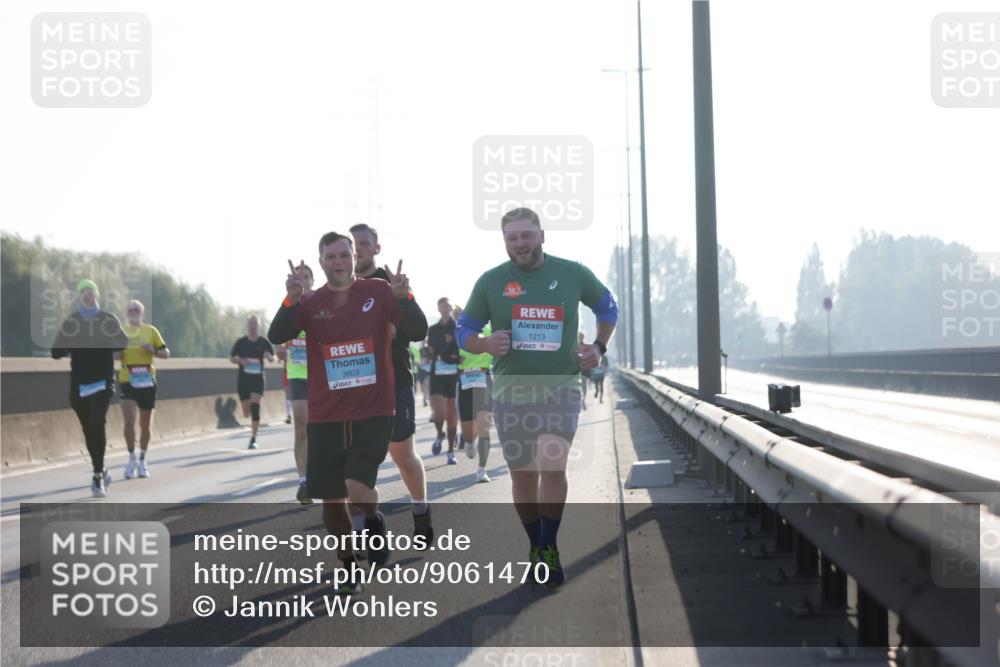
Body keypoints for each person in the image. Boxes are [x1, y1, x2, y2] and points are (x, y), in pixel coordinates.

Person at [456, 207, 618, 588]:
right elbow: (465, 329)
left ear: (542, 235)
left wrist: (599, 345)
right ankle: (535, 545)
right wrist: (483, 342)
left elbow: (607, 306)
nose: (519, 244)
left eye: (526, 235)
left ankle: (549, 546)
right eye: (511, 237)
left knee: (553, 465)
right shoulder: (491, 281)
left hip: (561, 386)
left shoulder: (572, 272)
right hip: (512, 392)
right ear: (505, 242)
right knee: (524, 477)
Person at [268, 232, 422, 596]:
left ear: (355, 256)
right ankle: (349, 561)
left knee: (355, 485)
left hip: (374, 408)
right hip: (326, 413)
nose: (338, 261)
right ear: (320, 263)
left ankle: (372, 517)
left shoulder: (380, 292)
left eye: (344, 254)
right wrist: (290, 300)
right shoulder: (310, 301)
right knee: (332, 500)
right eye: (330, 257)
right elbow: (277, 334)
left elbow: (417, 330)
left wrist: (407, 298)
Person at [350, 224, 433, 543]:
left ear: (376, 248)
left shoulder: (390, 283)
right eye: (353, 245)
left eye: (364, 244)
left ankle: (421, 510)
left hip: (393, 382)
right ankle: (360, 534)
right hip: (352, 387)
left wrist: (406, 301)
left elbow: (417, 329)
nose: (358, 250)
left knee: (403, 456)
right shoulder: (338, 287)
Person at [51, 279, 128, 497]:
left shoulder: (107, 319)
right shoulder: (72, 322)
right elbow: (55, 352)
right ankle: (101, 466)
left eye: (91, 291)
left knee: (97, 421)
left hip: (103, 381)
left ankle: (96, 477)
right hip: (80, 384)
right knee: (88, 428)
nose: (87, 295)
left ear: (96, 296)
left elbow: (122, 342)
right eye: (83, 292)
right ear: (79, 296)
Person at [117, 300, 169, 479]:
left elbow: (166, 354)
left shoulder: (151, 331)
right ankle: (131, 457)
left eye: (137, 310)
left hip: (147, 381)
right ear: (126, 312)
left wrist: (153, 350)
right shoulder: (120, 332)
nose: (133, 312)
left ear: (142, 313)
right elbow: (113, 354)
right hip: (127, 380)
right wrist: (118, 352)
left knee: (145, 425)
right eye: (131, 309)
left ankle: (142, 459)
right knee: (129, 421)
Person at [282, 264, 315, 503]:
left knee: (321, 431)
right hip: (297, 375)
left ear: (313, 280)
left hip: (322, 377)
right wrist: (282, 347)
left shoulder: (322, 303)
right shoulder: (289, 306)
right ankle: (303, 481)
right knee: (301, 429)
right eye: (298, 277)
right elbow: (277, 335)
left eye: (306, 277)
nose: (302, 281)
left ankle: (321, 474)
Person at [453, 305, 494, 483]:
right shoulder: (458, 333)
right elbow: (444, 356)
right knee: (469, 432)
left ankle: (482, 469)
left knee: (484, 427)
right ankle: (469, 441)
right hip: (465, 382)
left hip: (484, 379)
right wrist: (455, 358)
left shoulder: (491, 330)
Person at [230, 315, 275, 449]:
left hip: (258, 379)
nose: (253, 326)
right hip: (244, 380)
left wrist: (268, 356)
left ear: (258, 326)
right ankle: (250, 422)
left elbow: (272, 358)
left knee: (255, 407)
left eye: (255, 323)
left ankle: (253, 439)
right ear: (247, 325)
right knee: (246, 413)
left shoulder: (263, 342)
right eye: (251, 323)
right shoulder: (241, 342)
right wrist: (240, 360)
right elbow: (231, 357)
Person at [427, 297, 460, 464]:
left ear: (450, 308)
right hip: (437, 373)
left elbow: (464, 348)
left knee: (452, 414)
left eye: (447, 305)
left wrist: (453, 343)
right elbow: (429, 350)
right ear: (438, 308)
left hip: (454, 374)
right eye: (442, 305)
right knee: (439, 414)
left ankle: (450, 451)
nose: (445, 307)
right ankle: (440, 434)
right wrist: (429, 351)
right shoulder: (432, 329)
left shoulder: (457, 327)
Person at [577, 331, 590, 410]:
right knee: (583, 385)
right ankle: (582, 400)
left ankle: (583, 400)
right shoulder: (577, 346)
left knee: (583, 385)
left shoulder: (585, 346)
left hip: (583, 368)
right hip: (582, 368)